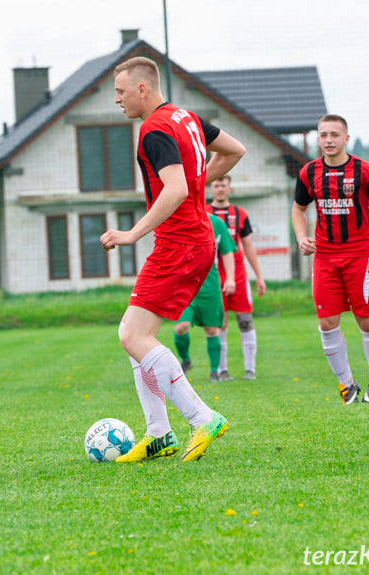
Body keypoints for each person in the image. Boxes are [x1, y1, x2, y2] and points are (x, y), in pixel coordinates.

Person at [101, 56, 245, 463]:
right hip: (193, 240)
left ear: (142, 89)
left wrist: (132, 233)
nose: (117, 99)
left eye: (121, 91)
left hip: (179, 244)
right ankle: (159, 434)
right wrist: (198, 185)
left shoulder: (153, 130)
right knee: (134, 333)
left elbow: (176, 188)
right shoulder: (186, 117)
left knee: (133, 336)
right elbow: (235, 149)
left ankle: (203, 418)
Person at [292, 114, 369, 405]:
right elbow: (298, 209)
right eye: (323, 135)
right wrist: (301, 237)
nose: (328, 140)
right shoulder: (308, 172)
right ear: (318, 139)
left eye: (334, 134)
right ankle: (346, 385)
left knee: (366, 322)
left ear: (346, 138)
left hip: (360, 256)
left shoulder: (365, 171)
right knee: (327, 322)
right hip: (324, 257)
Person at [206, 175, 267, 380]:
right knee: (219, 322)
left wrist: (259, 276)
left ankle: (250, 370)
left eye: (224, 185)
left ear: (230, 189)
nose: (220, 189)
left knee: (245, 320)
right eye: (216, 185)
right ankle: (222, 370)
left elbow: (248, 246)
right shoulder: (204, 213)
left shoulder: (240, 214)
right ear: (211, 189)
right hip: (213, 273)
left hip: (239, 273)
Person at [173, 212, 236, 382]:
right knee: (181, 326)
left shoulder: (216, 223)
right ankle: (186, 360)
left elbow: (228, 252)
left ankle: (214, 372)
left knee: (212, 329)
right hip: (184, 284)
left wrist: (230, 277)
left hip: (210, 285)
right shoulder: (177, 220)